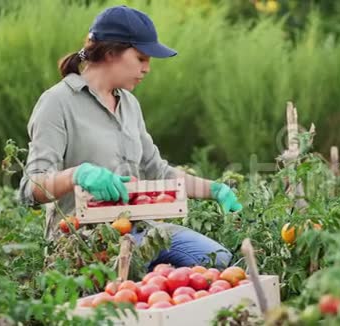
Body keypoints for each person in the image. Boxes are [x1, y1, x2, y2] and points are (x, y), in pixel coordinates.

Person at [18, 5, 243, 269]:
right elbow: (30, 189)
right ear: (111, 52)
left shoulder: (129, 104)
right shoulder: (57, 103)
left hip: (140, 231)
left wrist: (214, 190)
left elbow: (158, 171)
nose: (147, 68)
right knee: (134, 286)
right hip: (83, 241)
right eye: (141, 58)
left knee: (219, 260)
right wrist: (77, 175)